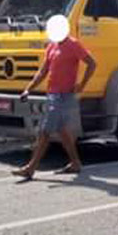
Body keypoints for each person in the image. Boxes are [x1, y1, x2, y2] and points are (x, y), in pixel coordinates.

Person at [12, 24, 96, 180]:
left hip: (64, 96)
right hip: (52, 95)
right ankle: (76, 163)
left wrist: (82, 84)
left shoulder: (73, 44)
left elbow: (92, 63)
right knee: (62, 131)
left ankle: (30, 168)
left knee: (45, 131)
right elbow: (43, 71)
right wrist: (28, 89)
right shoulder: (52, 46)